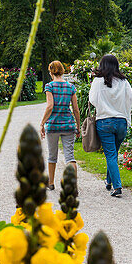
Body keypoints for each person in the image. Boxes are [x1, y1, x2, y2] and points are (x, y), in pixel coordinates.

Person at [88, 54, 132, 198]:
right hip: (121, 122)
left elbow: (92, 99)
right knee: (113, 153)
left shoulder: (97, 81)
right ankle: (108, 181)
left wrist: (104, 106)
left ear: (102, 65)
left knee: (110, 154)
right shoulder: (123, 81)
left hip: (104, 121)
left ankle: (117, 186)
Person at [40, 60, 80, 190]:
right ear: (62, 71)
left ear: (51, 72)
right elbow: (76, 109)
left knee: (52, 156)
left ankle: (51, 183)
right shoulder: (70, 87)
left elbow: (50, 106)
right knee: (70, 156)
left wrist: (42, 123)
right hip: (68, 125)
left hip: (53, 125)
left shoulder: (49, 86)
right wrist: (78, 126)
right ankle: (73, 185)